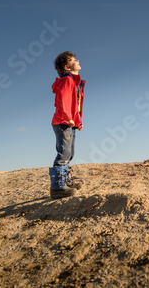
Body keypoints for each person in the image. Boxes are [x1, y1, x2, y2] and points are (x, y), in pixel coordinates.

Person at [49, 51, 86, 199]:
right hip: (63, 122)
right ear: (67, 67)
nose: (77, 60)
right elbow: (64, 102)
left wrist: (77, 122)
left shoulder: (72, 81)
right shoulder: (67, 81)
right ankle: (57, 188)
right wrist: (68, 118)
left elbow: (74, 104)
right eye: (73, 59)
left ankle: (64, 182)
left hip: (69, 122)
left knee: (69, 154)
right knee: (63, 153)